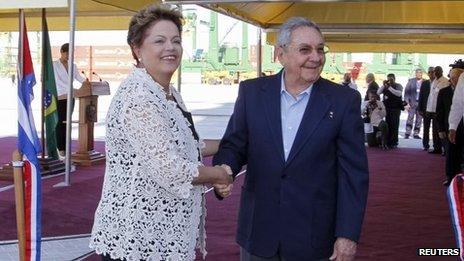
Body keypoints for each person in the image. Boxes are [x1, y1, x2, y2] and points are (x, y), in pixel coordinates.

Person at [213, 17, 369, 261]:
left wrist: (347, 235)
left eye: (320, 49)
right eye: (305, 49)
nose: (316, 57)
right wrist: (225, 169)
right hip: (258, 234)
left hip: (314, 239)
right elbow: (234, 145)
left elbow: (353, 175)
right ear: (280, 54)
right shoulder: (252, 92)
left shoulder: (343, 101)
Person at [89, 6, 232, 261]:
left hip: (157, 236)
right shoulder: (140, 97)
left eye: (176, 41)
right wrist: (219, 174)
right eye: (159, 41)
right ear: (137, 49)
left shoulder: (164, 92)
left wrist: (229, 144)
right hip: (138, 240)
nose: (171, 48)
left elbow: (184, 145)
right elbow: (172, 168)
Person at [53, 43, 88, 157]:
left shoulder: (73, 65)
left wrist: (87, 82)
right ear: (62, 52)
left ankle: (66, 147)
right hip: (59, 96)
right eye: (67, 53)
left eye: (71, 53)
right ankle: (60, 148)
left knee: (68, 122)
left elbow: (79, 78)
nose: (69, 55)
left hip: (71, 97)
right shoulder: (54, 65)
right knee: (60, 122)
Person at [437, 67, 464, 186]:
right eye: (451, 78)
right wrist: (452, 127)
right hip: (458, 124)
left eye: (455, 78)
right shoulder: (463, 78)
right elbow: (457, 104)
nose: (453, 80)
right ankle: (452, 177)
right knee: (452, 153)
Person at [425, 66, 449, 154]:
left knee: (441, 130)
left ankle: (445, 149)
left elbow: (444, 98)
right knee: (435, 131)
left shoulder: (445, 81)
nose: (436, 73)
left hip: (440, 110)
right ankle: (437, 148)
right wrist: (428, 110)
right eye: (435, 71)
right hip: (432, 110)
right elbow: (431, 97)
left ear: (442, 71)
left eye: (438, 71)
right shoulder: (434, 81)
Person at [377, 73, 403, 148]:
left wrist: (389, 87)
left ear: (394, 79)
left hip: (395, 108)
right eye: (388, 79)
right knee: (388, 125)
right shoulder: (385, 86)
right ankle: (388, 141)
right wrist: (384, 85)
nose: (390, 81)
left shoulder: (398, 85)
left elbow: (398, 94)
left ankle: (394, 142)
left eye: (391, 79)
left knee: (395, 125)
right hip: (387, 108)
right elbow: (378, 92)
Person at [403, 68, 423, 139]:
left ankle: (416, 133)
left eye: (420, 73)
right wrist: (406, 103)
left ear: (422, 74)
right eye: (417, 73)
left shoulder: (425, 82)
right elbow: (406, 93)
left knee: (419, 119)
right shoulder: (411, 81)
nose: (419, 74)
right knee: (410, 118)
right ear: (416, 74)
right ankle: (407, 133)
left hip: (420, 104)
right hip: (412, 103)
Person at [418, 67, 434, 151]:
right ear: (428, 73)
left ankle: (437, 146)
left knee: (436, 129)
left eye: (433, 72)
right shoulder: (425, 83)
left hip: (435, 110)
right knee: (426, 128)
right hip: (426, 109)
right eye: (430, 72)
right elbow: (421, 96)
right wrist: (419, 108)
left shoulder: (438, 83)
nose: (431, 73)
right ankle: (425, 145)